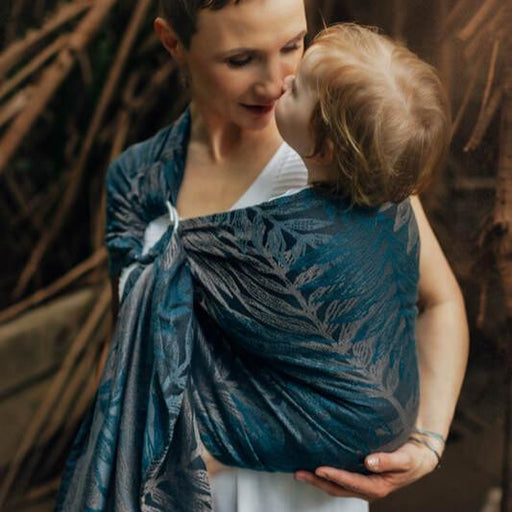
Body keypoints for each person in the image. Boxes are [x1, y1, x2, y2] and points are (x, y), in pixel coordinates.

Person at [58, 1, 469, 511]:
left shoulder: (352, 146)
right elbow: (133, 350)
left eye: (293, 45)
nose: (276, 82)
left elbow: (438, 302)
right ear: (174, 43)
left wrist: (426, 441)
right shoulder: (138, 179)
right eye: (240, 59)